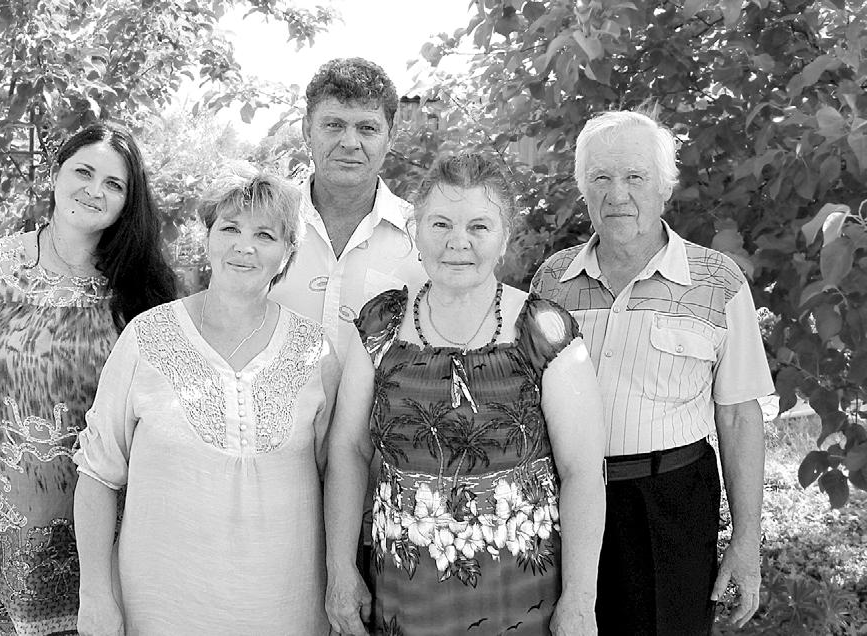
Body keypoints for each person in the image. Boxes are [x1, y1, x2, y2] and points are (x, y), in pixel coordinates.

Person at [325, 153, 606, 636]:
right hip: (403, 601)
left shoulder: (545, 330)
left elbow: (582, 472)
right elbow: (349, 449)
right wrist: (340, 570)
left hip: (522, 602)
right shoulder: (380, 325)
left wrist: (581, 599)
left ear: (504, 238)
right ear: (415, 232)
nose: (459, 241)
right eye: (440, 224)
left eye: (479, 226)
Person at [0, 122, 179, 634]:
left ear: (128, 202)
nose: (95, 190)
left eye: (114, 184)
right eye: (84, 172)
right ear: (55, 174)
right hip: (4, 536)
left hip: (115, 535)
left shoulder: (142, 290)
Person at [530, 110, 773, 635]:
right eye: (600, 177)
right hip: (562, 504)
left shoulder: (718, 281)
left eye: (635, 177)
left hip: (669, 507)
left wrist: (746, 540)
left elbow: (738, 416)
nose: (617, 194)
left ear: (664, 187)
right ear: (583, 189)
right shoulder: (551, 282)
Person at [73, 165, 340, 635]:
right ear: (209, 237)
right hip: (160, 607)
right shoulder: (147, 337)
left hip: (285, 607)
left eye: (265, 235)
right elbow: (98, 474)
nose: (244, 246)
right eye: (230, 228)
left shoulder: (314, 352)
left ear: (288, 253)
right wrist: (95, 595)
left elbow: (331, 474)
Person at [270, 56, 427, 363]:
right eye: (334, 125)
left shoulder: (423, 238)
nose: (350, 142)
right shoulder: (263, 224)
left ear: (391, 136)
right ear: (307, 130)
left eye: (367, 128)